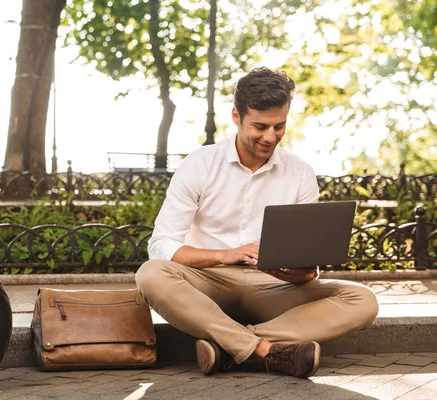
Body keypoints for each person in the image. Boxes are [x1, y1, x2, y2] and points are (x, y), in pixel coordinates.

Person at [135, 67, 379, 379]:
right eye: (260, 126)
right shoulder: (199, 164)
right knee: (151, 274)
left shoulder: (300, 172)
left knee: (363, 300)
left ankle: (228, 346)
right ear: (236, 117)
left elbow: (306, 253)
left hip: (272, 286)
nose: (270, 136)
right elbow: (161, 244)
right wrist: (223, 255)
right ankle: (265, 350)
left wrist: (305, 272)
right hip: (208, 281)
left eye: (279, 126)